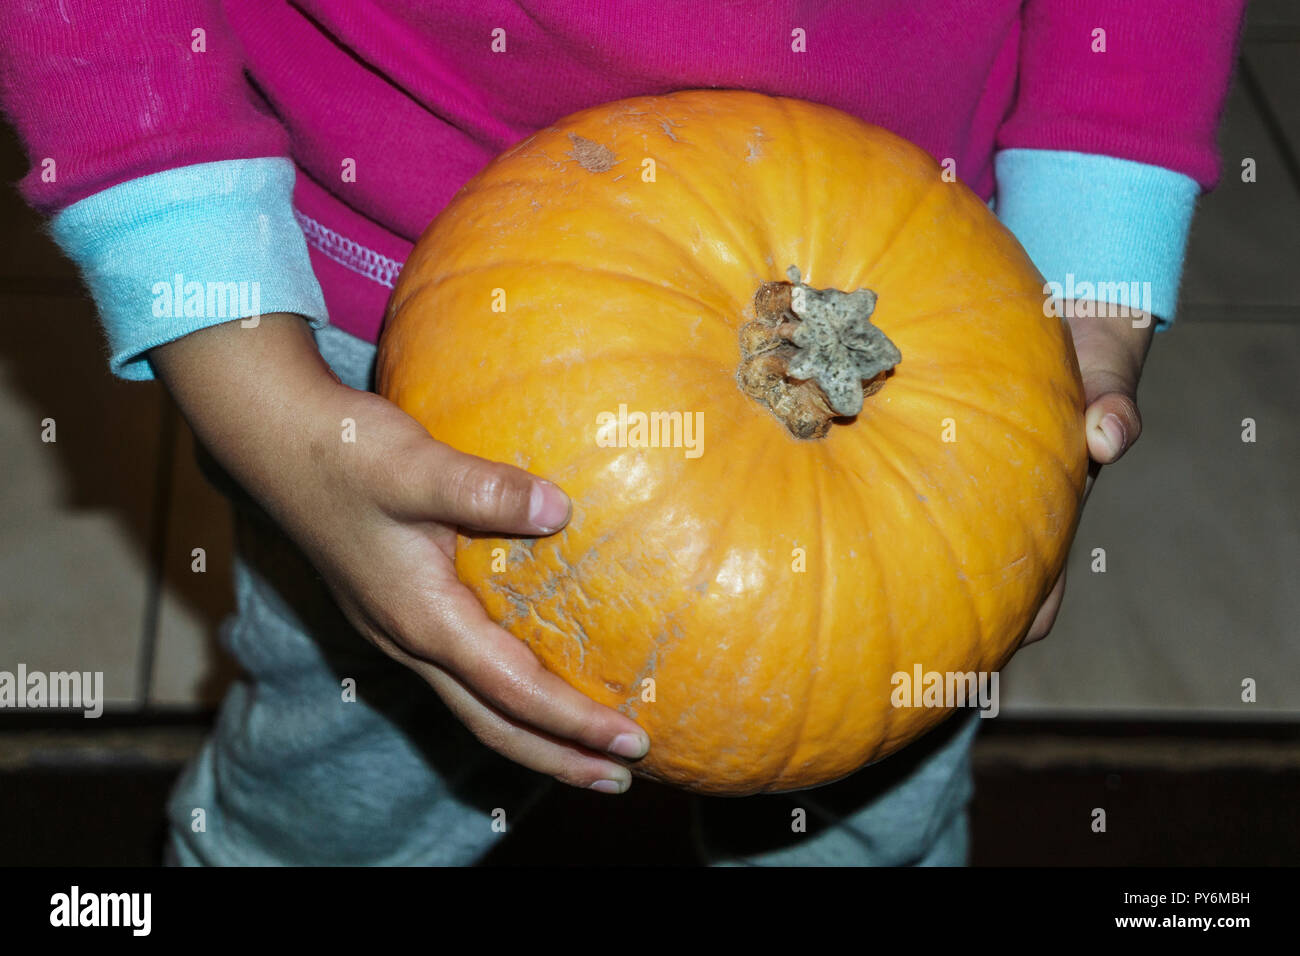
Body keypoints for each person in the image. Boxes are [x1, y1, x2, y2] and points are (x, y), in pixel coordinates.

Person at [0, 0, 1247, 865]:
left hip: (926, 319)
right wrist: (253, 390)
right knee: (344, 784)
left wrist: (1084, 302)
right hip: (372, 369)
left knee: (871, 810)